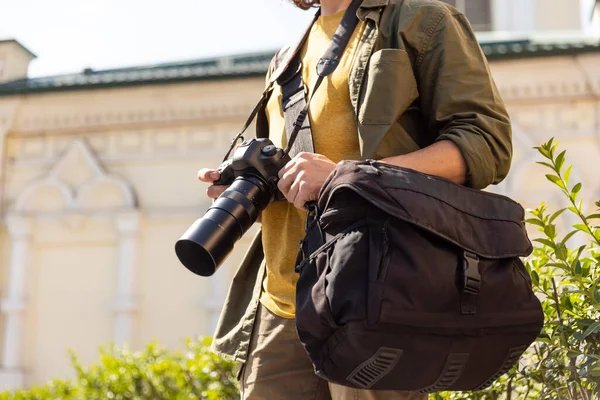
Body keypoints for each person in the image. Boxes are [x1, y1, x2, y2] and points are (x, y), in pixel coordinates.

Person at [197, 0, 513, 398]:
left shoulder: (422, 19)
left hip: (372, 300)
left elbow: (487, 143)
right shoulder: (288, 54)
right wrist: (252, 193)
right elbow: (304, 184)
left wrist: (344, 177)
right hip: (278, 308)